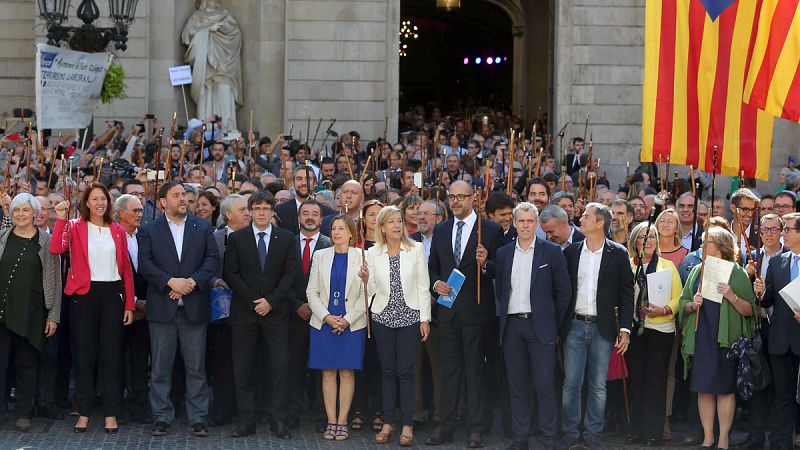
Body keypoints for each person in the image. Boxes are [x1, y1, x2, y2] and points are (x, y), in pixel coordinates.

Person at [51, 183, 135, 434]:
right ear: (86, 203)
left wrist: (129, 303)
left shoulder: (118, 230)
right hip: (83, 297)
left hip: (112, 296)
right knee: (84, 356)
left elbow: (126, 270)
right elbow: (56, 248)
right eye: (94, 199)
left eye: (104, 199)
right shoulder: (75, 227)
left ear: (109, 203)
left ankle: (111, 412)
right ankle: (84, 411)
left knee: (111, 356)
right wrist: (60, 219)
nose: (100, 203)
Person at [137, 181, 219, 437]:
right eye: (177, 195)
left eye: (184, 195)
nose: (183, 199)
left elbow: (212, 259)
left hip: (193, 307)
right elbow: (145, 263)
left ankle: (198, 418)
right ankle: (161, 416)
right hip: (163, 308)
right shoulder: (149, 230)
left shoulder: (202, 226)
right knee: (160, 367)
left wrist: (191, 282)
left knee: (196, 367)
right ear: (163, 201)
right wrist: (169, 282)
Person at [425, 180, 503, 448]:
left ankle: (476, 427)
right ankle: (445, 424)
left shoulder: (490, 230)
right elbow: (433, 267)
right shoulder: (442, 229)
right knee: (449, 371)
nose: (455, 201)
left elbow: (501, 269)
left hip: (477, 312)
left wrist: (485, 264)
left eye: (461, 196)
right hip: (447, 313)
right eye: (451, 196)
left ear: (473, 198)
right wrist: (436, 285)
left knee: (475, 371)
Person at [494, 202, 571, 450]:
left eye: (530, 221)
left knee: (544, 384)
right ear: (514, 223)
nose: (525, 225)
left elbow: (564, 293)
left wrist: (553, 325)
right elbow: (501, 290)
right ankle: (520, 438)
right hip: (513, 327)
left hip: (541, 328)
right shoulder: (504, 253)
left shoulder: (551, 252)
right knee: (517, 386)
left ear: (537, 224)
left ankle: (549, 439)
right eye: (521, 221)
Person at [559, 202, 634, 449]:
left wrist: (624, 329)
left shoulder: (619, 253)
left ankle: (592, 435)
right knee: (571, 383)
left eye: (586, 216)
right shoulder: (571, 252)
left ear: (600, 223)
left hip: (604, 329)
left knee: (598, 386)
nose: (580, 219)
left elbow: (626, 294)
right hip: (574, 326)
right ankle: (570, 433)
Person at [223, 191, 297, 438]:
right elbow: (231, 274)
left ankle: (279, 420)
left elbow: (289, 275)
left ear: (273, 211)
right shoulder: (237, 238)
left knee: (279, 367)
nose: (262, 212)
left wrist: (271, 301)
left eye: (266, 208)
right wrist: (253, 301)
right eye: (257, 208)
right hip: (245, 312)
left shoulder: (286, 238)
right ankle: (247, 420)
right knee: (243, 367)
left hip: (276, 312)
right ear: (250, 211)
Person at [680, 227, 755, 450]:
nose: (703, 246)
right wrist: (693, 303)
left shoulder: (737, 272)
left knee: (724, 389)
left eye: (708, 242)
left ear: (721, 247)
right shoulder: (696, 271)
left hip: (726, 339)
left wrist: (732, 296)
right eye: (703, 242)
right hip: (701, 337)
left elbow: (750, 309)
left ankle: (723, 439)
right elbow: (683, 304)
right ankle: (707, 438)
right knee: (703, 388)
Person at [361, 205, 431, 446]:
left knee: (407, 372)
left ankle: (408, 425)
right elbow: (370, 293)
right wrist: (366, 279)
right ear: (381, 226)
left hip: (410, 316)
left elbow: (423, 285)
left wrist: (425, 319)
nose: (396, 225)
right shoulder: (372, 253)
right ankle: (389, 422)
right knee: (388, 372)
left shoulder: (416, 249)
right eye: (390, 222)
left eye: (399, 221)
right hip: (382, 316)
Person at [0, 194, 61, 431]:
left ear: (36, 214)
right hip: (3, 310)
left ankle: (24, 412)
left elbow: (55, 281)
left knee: (27, 364)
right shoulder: (3, 237)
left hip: (32, 311)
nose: (21, 215)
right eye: (16, 211)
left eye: (26, 210)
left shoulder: (46, 242)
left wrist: (53, 315)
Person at [306, 215, 367, 441]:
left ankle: (343, 421)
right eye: (333, 228)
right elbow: (311, 292)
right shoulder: (320, 256)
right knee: (328, 371)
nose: (336, 232)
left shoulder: (362, 256)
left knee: (347, 371)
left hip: (352, 325)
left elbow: (367, 293)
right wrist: (327, 317)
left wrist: (348, 319)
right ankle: (331, 420)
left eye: (342, 229)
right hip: (324, 322)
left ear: (351, 233)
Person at [624, 222, 682, 446]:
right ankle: (636, 430)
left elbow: (678, 298)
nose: (647, 242)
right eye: (642, 238)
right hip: (634, 330)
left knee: (656, 382)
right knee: (636, 380)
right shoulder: (627, 265)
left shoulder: (667, 266)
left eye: (651, 238)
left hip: (660, 330)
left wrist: (665, 309)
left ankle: (653, 433)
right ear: (635, 242)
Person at [753, 212, 800, 450]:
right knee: (783, 397)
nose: (783, 234)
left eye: (788, 229)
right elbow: (767, 300)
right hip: (781, 341)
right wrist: (760, 292)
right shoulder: (779, 262)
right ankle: (782, 444)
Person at [206, 194, 250, 427]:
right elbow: (205, 266)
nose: (248, 212)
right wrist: (214, 281)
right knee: (222, 362)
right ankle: (223, 409)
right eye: (242, 209)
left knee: (247, 362)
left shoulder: (255, 236)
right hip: (222, 310)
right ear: (228, 214)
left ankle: (247, 410)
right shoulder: (214, 237)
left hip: (250, 310)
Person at [289, 200, 332, 428]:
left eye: (314, 214)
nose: (310, 217)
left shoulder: (329, 245)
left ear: (321, 219)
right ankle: (292, 413)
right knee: (293, 366)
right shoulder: (287, 242)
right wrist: (296, 304)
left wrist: (314, 307)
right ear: (298, 217)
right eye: (305, 213)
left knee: (319, 367)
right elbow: (282, 278)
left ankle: (320, 414)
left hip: (320, 316)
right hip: (293, 314)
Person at [114, 193, 151, 424]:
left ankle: (139, 406)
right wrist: (133, 300)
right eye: (135, 210)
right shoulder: (110, 236)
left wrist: (144, 303)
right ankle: (116, 407)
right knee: (115, 359)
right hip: (117, 309)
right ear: (121, 213)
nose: (140, 214)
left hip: (145, 311)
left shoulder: (145, 237)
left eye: (140, 210)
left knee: (140, 360)